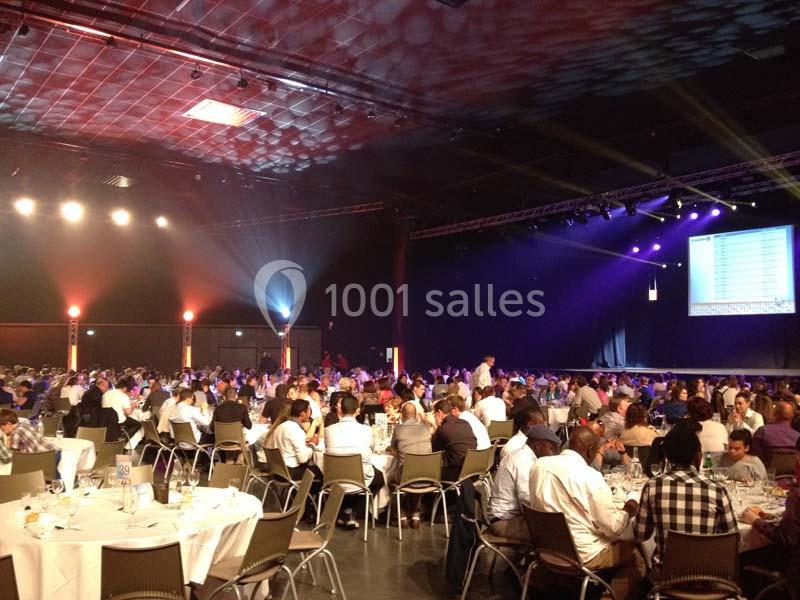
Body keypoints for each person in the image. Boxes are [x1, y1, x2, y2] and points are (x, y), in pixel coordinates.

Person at [529, 427, 644, 599]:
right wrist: (629, 509)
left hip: (545, 549)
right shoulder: (590, 476)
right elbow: (613, 527)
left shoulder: (539, 465)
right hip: (581, 555)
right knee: (636, 556)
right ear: (591, 451)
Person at [634, 422, 738, 571]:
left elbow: (641, 534)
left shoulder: (653, 486)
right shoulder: (716, 489)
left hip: (667, 576)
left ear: (667, 457)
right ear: (699, 455)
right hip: (709, 576)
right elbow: (733, 539)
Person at [739, 435, 800, 599]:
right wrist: (769, 517)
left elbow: (785, 538)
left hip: (794, 574)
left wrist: (756, 521)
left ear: (798, 457)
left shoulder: (797, 495)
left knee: (744, 555)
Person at [488, 424, 561, 542]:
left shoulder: (525, 456)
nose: (553, 454)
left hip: (515, 516)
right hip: (505, 521)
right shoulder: (523, 461)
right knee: (557, 535)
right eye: (551, 449)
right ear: (538, 446)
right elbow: (527, 500)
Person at [324, 394, 383, 529]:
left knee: (348, 478)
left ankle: (345, 512)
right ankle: (355, 511)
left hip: (333, 478)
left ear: (340, 409)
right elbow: (372, 449)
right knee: (380, 478)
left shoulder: (329, 431)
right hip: (358, 479)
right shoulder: (366, 430)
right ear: (357, 411)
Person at [388, 402, 433, 528]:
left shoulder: (398, 429)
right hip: (429, 476)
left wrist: (399, 454)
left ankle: (400, 514)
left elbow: (393, 448)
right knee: (417, 473)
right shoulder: (425, 428)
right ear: (416, 415)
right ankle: (415, 513)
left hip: (405, 478)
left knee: (389, 478)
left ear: (402, 415)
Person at [266, 398, 321, 479]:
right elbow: (303, 459)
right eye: (309, 410)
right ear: (302, 413)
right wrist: (312, 444)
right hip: (290, 472)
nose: (310, 413)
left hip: (277, 471)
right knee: (318, 472)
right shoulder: (295, 429)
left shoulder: (280, 427)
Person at [432, 398, 477, 482]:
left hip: (457, 473)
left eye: (434, 413)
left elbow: (434, 452)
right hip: (473, 469)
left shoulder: (443, 429)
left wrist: (437, 426)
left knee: (430, 471)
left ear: (439, 413)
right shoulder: (465, 423)